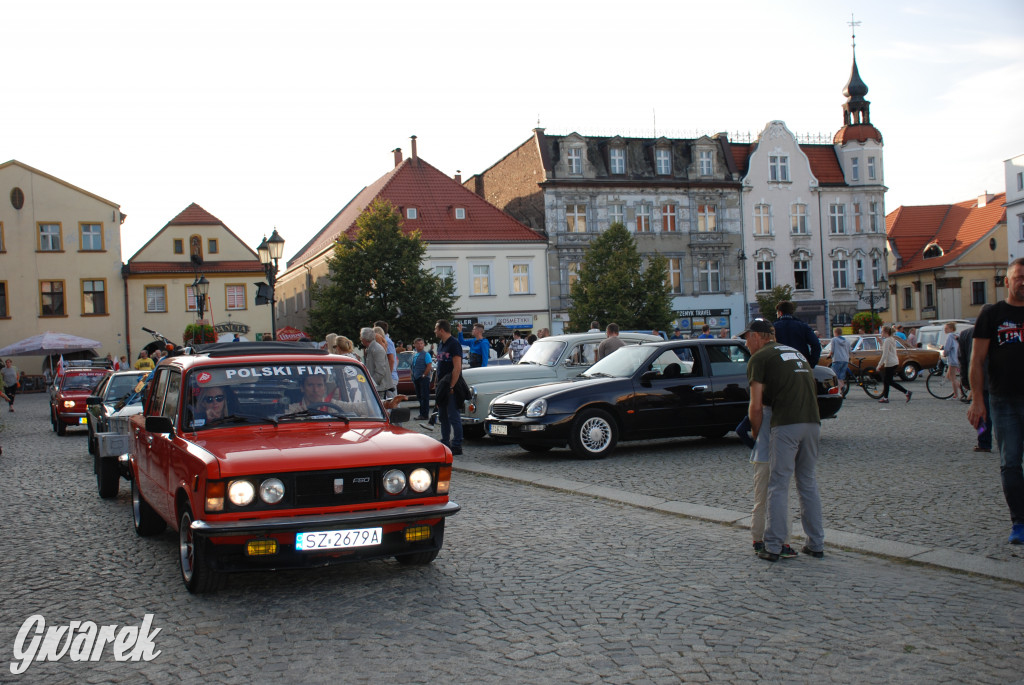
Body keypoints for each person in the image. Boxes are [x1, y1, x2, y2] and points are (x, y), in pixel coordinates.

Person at [742, 319, 825, 562]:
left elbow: (755, 406)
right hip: (812, 421)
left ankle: (774, 545)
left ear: (758, 336)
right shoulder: (795, 352)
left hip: (786, 424)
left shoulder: (759, 358)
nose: (746, 343)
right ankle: (816, 543)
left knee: (778, 485)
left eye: (747, 337)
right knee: (807, 483)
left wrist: (757, 432)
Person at [967, 257, 1024, 544]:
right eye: (1019, 277)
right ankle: (1020, 522)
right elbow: (976, 361)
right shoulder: (992, 314)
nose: (1023, 281)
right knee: (1010, 462)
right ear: (1007, 281)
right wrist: (977, 400)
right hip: (1004, 400)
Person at [959, 325, 992, 453]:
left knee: (982, 415)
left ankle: (983, 442)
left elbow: (962, 359)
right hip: (995, 378)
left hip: (977, 379)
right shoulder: (994, 330)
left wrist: (965, 380)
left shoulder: (965, 334)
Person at [433, 319, 465, 455]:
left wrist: (452, 386)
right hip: (442, 384)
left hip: (451, 385)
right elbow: (440, 366)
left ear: (441, 330)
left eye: (436, 329)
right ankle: (445, 442)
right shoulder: (441, 344)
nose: (434, 331)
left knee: (453, 415)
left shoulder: (454, 344)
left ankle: (457, 444)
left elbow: (457, 368)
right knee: (443, 416)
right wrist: (436, 383)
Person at [773, 301, 821, 366]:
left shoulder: (773, 328)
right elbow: (816, 344)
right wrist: (811, 362)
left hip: (780, 364)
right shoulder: (803, 326)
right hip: (801, 363)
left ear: (780, 313)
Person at [876, 325, 911, 404]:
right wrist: (881, 343)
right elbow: (887, 350)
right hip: (894, 361)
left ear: (886, 332)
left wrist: (879, 365)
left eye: (882, 331)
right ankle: (885, 398)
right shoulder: (891, 339)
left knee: (889, 381)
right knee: (886, 381)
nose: (881, 333)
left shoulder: (888, 340)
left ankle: (906, 392)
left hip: (890, 363)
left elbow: (885, 354)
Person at [361, 327, 395, 399]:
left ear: (364, 338)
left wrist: (370, 384)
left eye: (361, 336)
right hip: (377, 387)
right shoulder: (371, 348)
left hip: (379, 388)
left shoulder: (377, 349)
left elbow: (380, 371)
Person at [410, 337, 432, 421]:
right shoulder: (414, 354)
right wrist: (412, 375)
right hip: (416, 378)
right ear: (414, 345)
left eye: (421, 343)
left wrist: (424, 375)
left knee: (424, 397)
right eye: (418, 344)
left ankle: (424, 414)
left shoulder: (426, 354)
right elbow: (412, 366)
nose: (420, 345)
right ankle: (422, 413)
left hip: (423, 378)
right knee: (419, 396)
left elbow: (429, 365)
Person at [374, 320, 399, 389]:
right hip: (387, 377)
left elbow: (391, 359)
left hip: (389, 378)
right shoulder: (385, 340)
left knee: (391, 399)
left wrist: (388, 376)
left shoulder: (386, 341)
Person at [942, 322, 963, 400]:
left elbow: (947, 347)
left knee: (953, 377)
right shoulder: (957, 335)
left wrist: (945, 353)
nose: (945, 329)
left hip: (952, 359)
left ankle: (956, 395)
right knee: (950, 376)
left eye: (946, 328)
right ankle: (962, 391)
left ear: (951, 329)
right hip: (957, 358)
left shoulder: (950, 336)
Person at [829, 327, 851, 394]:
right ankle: (841, 390)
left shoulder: (834, 340)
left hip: (837, 359)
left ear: (835, 333)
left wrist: (829, 355)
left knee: (835, 375)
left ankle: (840, 388)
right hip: (845, 360)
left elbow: (832, 351)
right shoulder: (847, 341)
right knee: (841, 376)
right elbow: (849, 350)